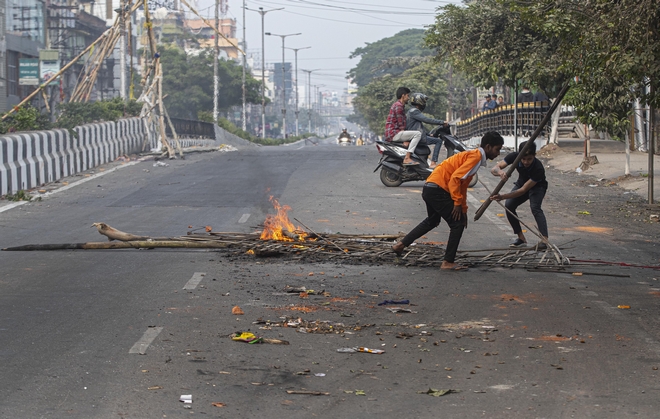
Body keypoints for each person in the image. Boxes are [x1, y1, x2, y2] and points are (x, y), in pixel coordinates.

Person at [392, 132, 505, 270]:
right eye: (497, 149)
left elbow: (462, 185)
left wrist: (463, 208)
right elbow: (455, 179)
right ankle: (447, 262)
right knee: (457, 224)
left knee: (432, 221)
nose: (498, 153)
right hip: (438, 189)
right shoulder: (475, 157)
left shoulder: (474, 155)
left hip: (430, 187)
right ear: (488, 147)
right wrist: (457, 204)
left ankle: (400, 245)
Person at [490, 141, 549, 249]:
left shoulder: (538, 168)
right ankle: (521, 238)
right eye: (523, 159)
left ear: (534, 156)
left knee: (535, 208)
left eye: (529, 159)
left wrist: (502, 196)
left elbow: (523, 190)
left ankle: (544, 240)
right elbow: (494, 168)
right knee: (509, 205)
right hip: (522, 182)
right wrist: (500, 172)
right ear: (519, 155)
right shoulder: (514, 157)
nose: (526, 162)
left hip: (537, 186)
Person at [406, 92, 447, 168]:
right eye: (423, 101)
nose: (424, 104)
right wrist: (441, 122)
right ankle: (433, 163)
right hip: (418, 138)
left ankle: (426, 163)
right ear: (419, 102)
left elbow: (417, 127)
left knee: (433, 141)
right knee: (438, 141)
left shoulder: (411, 111)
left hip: (416, 136)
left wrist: (428, 134)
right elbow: (426, 119)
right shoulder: (414, 111)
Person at [385, 87, 422, 166]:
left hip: (394, 133)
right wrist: (406, 139)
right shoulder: (399, 106)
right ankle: (407, 158)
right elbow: (400, 124)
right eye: (407, 96)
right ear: (403, 95)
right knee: (418, 134)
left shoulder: (398, 105)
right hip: (393, 133)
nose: (408, 98)